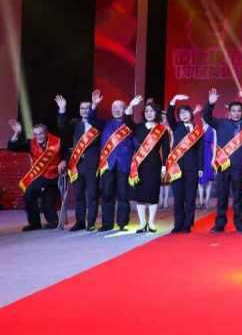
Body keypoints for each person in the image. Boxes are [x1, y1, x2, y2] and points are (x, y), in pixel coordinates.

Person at [204, 89, 242, 233]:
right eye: (233, 111)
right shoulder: (221, 123)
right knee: (222, 196)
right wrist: (210, 104)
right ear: (229, 112)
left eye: (239, 111)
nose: (236, 113)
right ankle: (220, 224)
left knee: (238, 197)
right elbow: (206, 117)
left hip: (239, 167)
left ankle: (239, 224)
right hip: (223, 166)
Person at [89, 90, 141, 231]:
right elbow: (92, 120)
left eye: (120, 108)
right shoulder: (105, 123)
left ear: (124, 110)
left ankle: (122, 223)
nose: (116, 110)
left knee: (123, 195)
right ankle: (107, 224)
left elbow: (136, 144)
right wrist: (94, 105)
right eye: (114, 108)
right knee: (107, 195)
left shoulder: (129, 124)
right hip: (108, 164)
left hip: (124, 164)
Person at [8, 121, 65, 231]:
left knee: (44, 195)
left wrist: (64, 161)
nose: (38, 136)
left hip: (54, 176)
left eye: (41, 133)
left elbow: (66, 153)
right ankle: (36, 223)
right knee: (30, 194)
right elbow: (12, 147)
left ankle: (52, 221)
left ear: (46, 133)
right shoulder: (31, 143)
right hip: (39, 176)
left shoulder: (56, 142)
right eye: (36, 134)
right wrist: (16, 133)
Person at [56, 94, 101, 231]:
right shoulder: (75, 123)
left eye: (88, 108)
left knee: (92, 195)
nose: (85, 111)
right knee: (79, 195)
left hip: (92, 164)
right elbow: (62, 127)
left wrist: (95, 106)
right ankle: (80, 222)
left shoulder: (97, 123)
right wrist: (62, 109)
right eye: (82, 108)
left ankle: (91, 222)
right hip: (77, 164)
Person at [127, 101, 170, 233]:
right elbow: (127, 121)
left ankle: (151, 223)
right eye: (146, 111)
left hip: (154, 164)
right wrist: (130, 106)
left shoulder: (162, 129)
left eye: (151, 111)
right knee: (140, 195)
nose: (149, 113)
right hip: (139, 164)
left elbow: (166, 149)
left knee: (152, 193)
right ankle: (142, 223)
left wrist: (164, 167)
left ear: (156, 113)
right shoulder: (138, 127)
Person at [166, 94, 206, 233]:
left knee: (190, 197)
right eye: (181, 113)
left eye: (186, 112)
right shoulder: (176, 126)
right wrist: (174, 100)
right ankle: (178, 225)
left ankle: (187, 224)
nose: (183, 115)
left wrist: (200, 167)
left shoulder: (198, 130)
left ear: (191, 114)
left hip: (192, 168)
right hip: (176, 168)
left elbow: (201, 149)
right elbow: (170, 115)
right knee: (178, 197)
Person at [158, 110, 172, 209]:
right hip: (157, 155)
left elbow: (172, 143)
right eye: (161, 117)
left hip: (167, 155)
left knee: (166, 180)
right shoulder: (156, 129)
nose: (163, 119)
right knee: (159, 181)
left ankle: (166, 201)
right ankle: (159, 201)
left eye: (164, 118)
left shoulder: (169, 129)